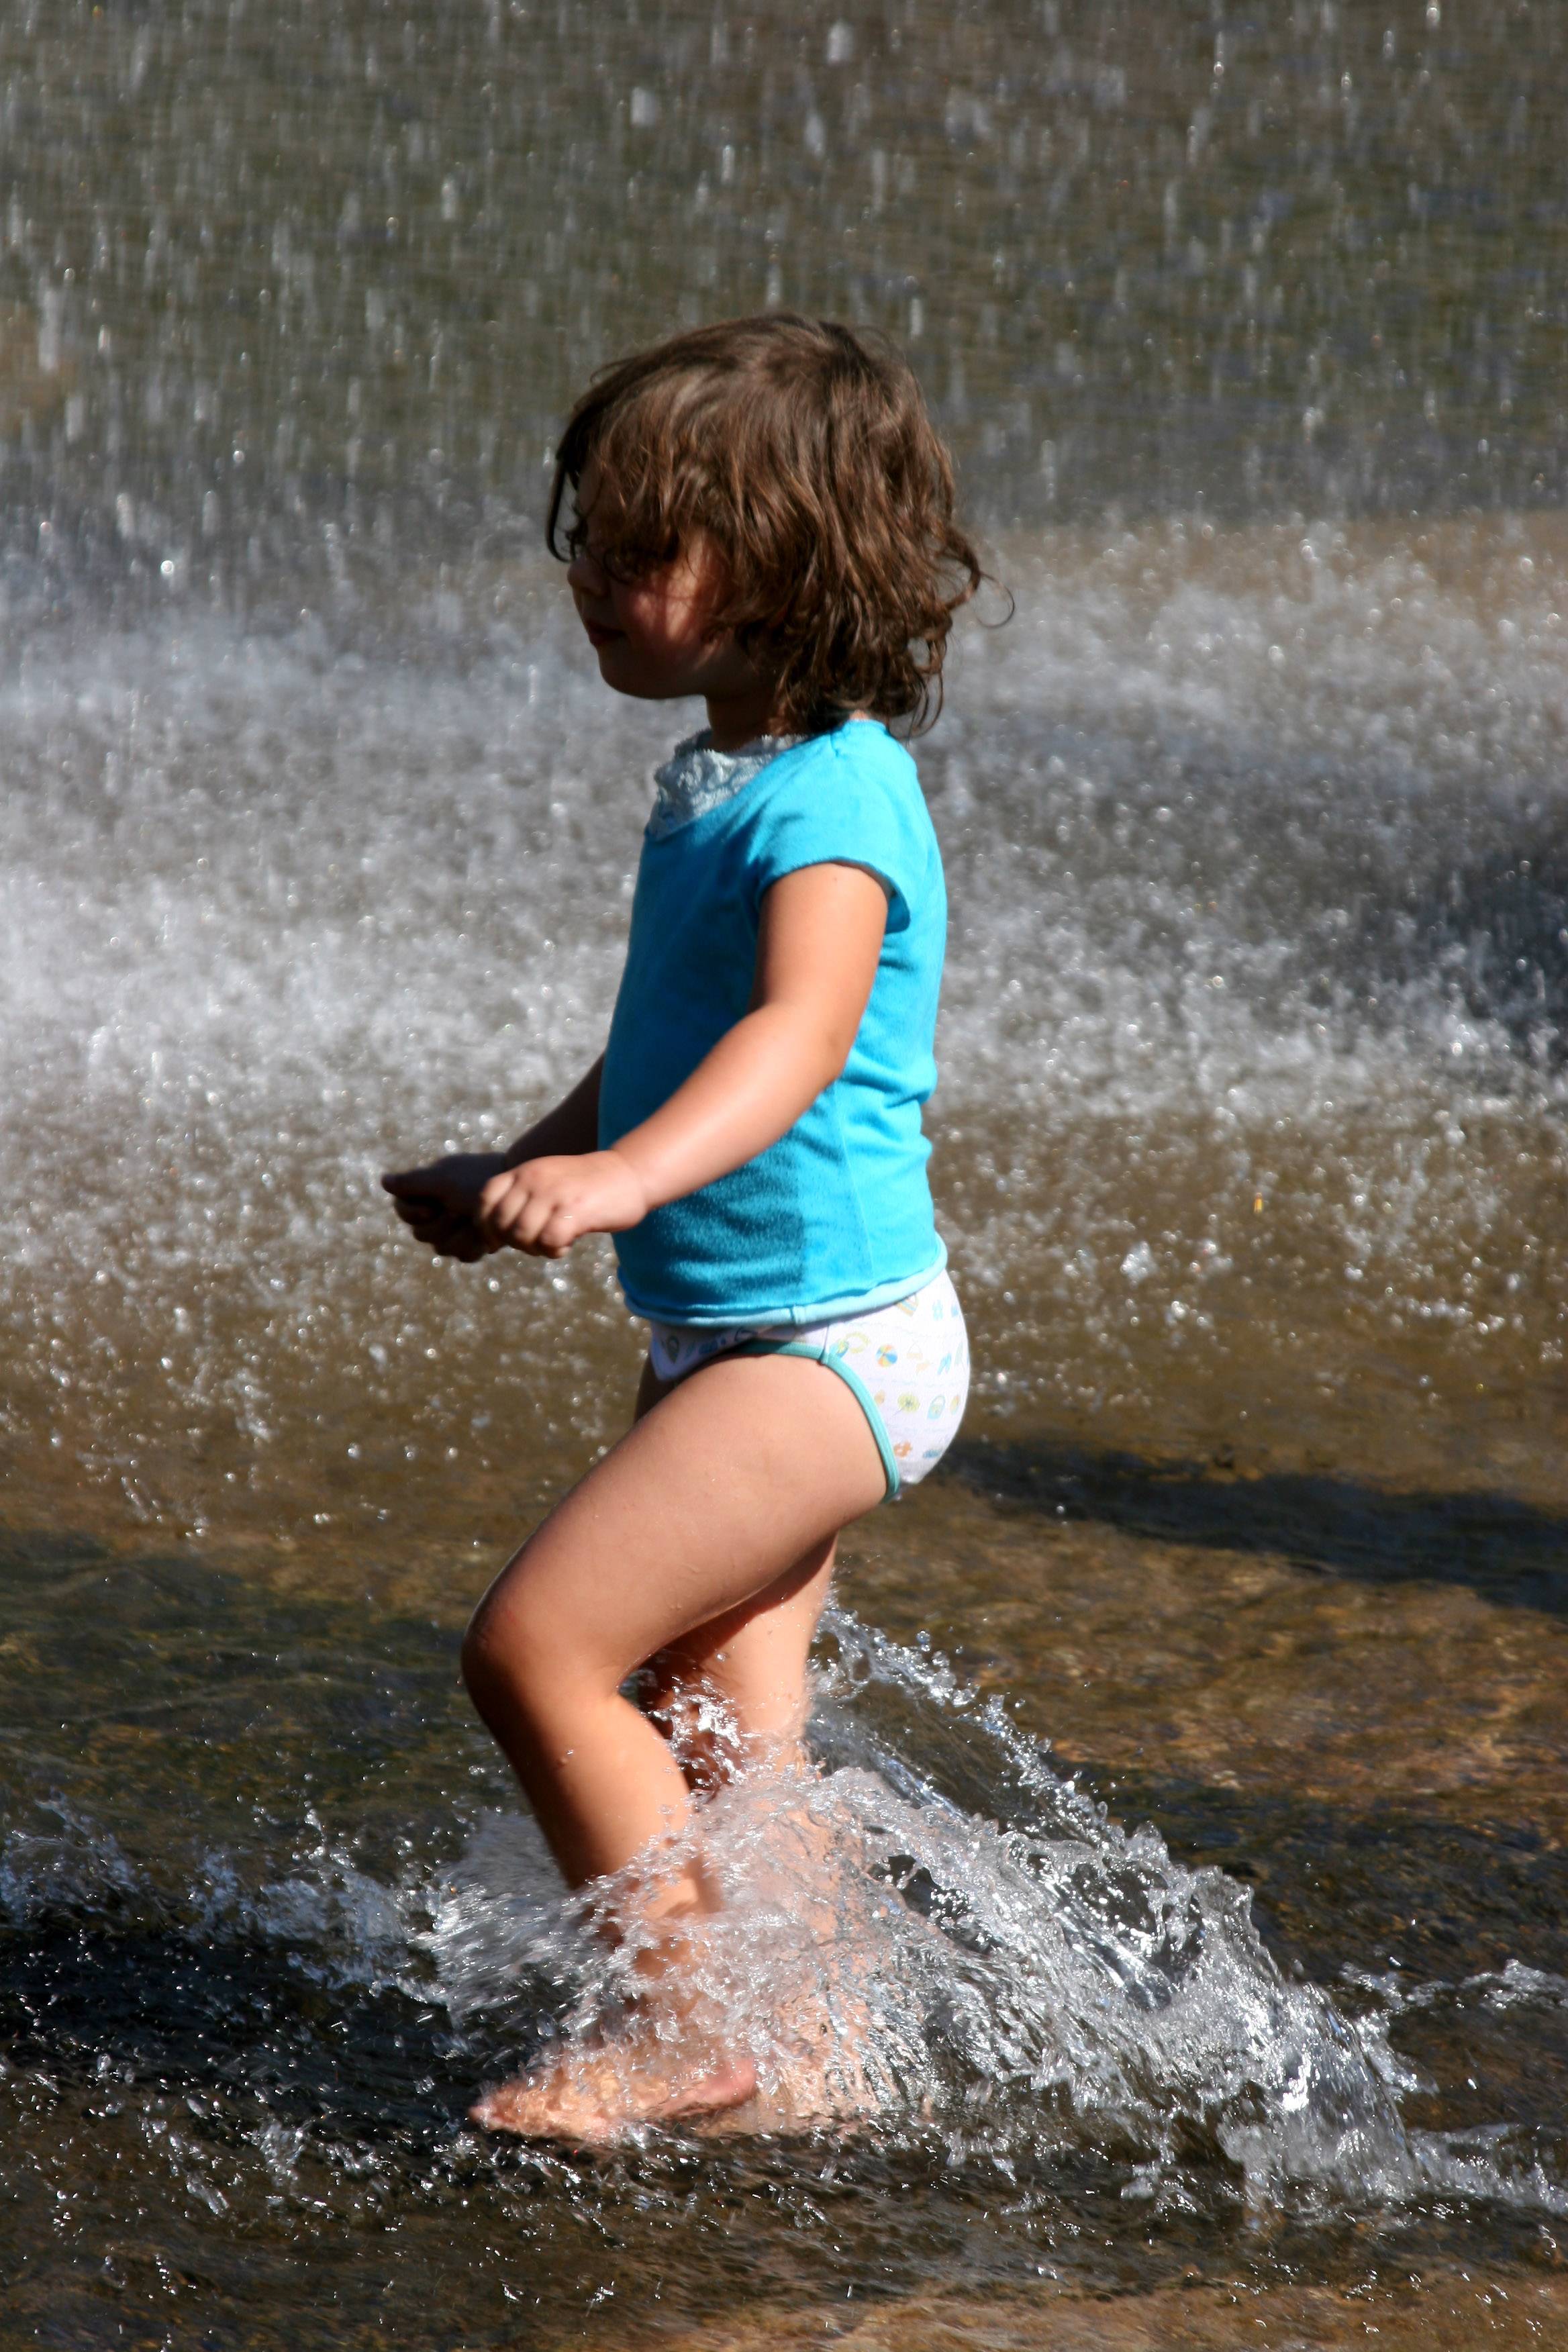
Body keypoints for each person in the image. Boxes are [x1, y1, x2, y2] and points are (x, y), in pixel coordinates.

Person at [383, 314, 983, 2139]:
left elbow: (794, 1035)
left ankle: (680, 2019)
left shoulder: (841, 797)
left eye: (646, 550)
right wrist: (530, 1160)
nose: (593, 579)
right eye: (591, 534)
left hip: (825, 1347)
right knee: (727, 1734)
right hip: (746, 1337)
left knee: (534, 1653)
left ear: (791, 572)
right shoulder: (722, 777)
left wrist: (627, 1183)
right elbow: (665, 1049)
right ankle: (811, 2054)